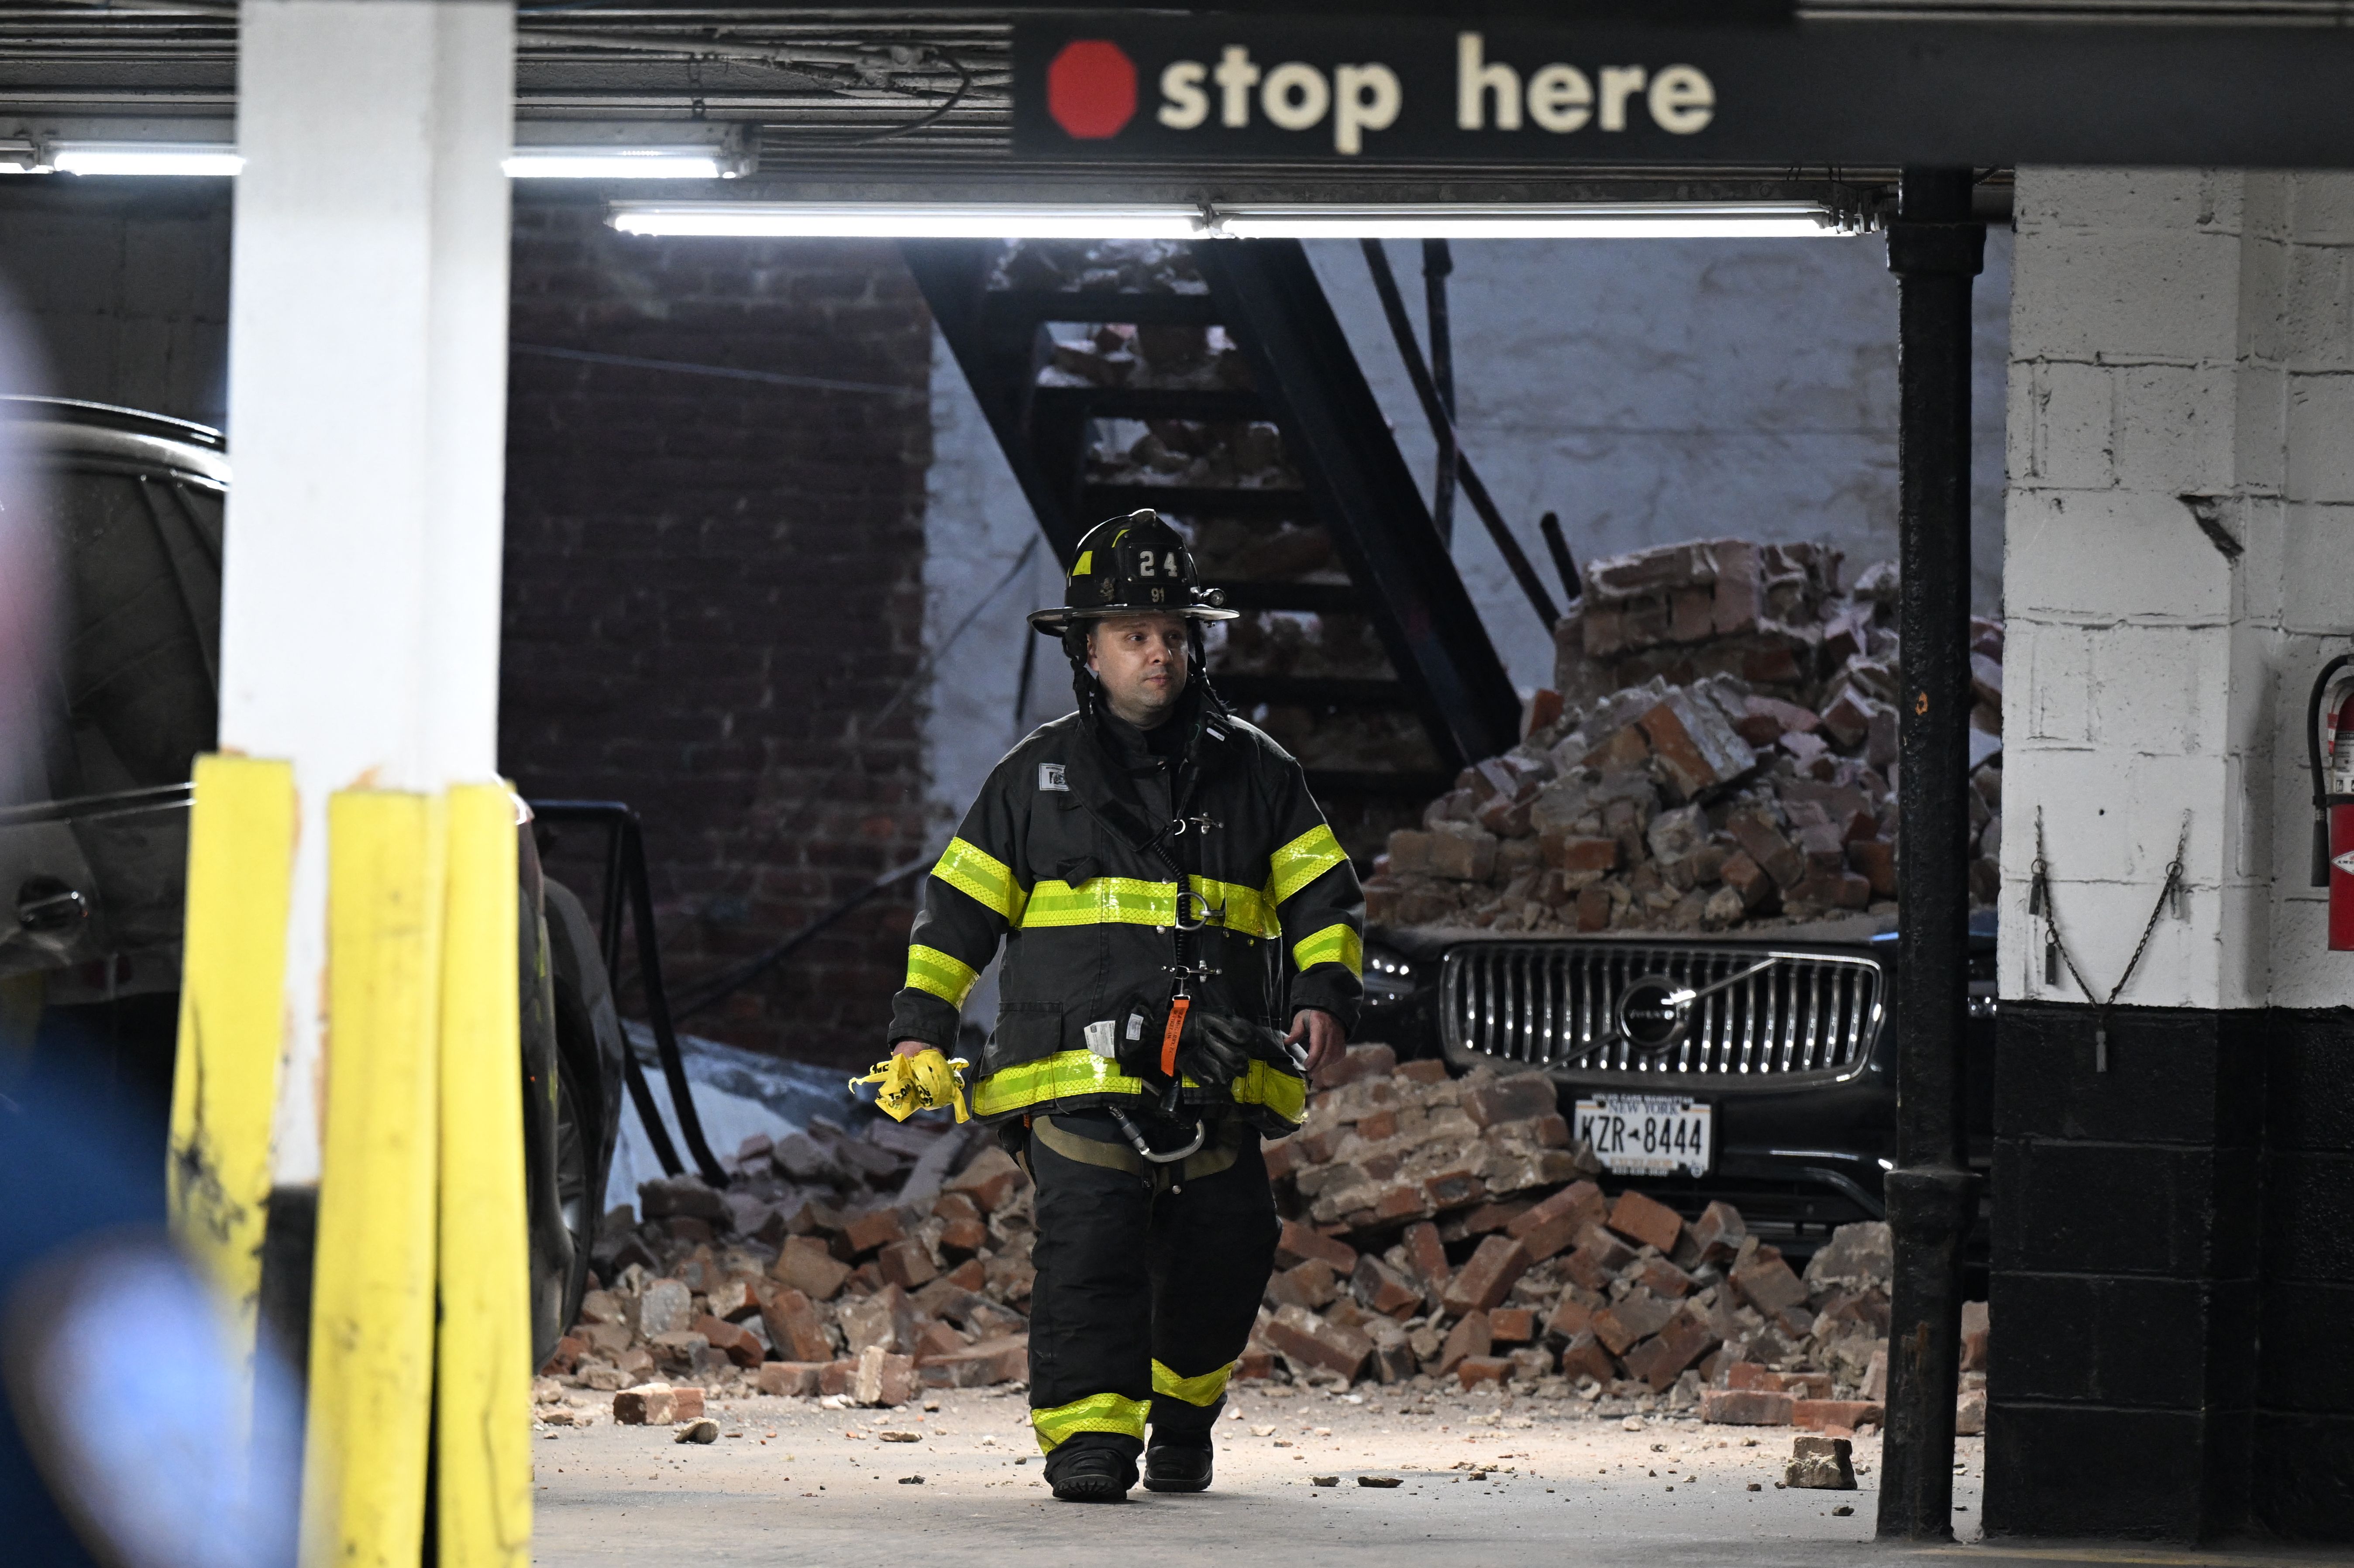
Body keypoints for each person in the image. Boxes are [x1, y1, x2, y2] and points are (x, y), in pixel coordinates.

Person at [885, 509, 1363, 1503]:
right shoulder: (1033, 778)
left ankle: (1182, 1417)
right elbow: (957, 912)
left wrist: (1324, 992)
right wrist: (919, 1025)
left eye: (1174, 633)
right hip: (1073, 1071)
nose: (1159, 651)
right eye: (1135, 634)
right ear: (1087, 649)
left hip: (1217, 1070)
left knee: (1229, 1244)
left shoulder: (1258, 773)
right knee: (1092, 1244)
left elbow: (1323, 896)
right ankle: (1088, 1442)